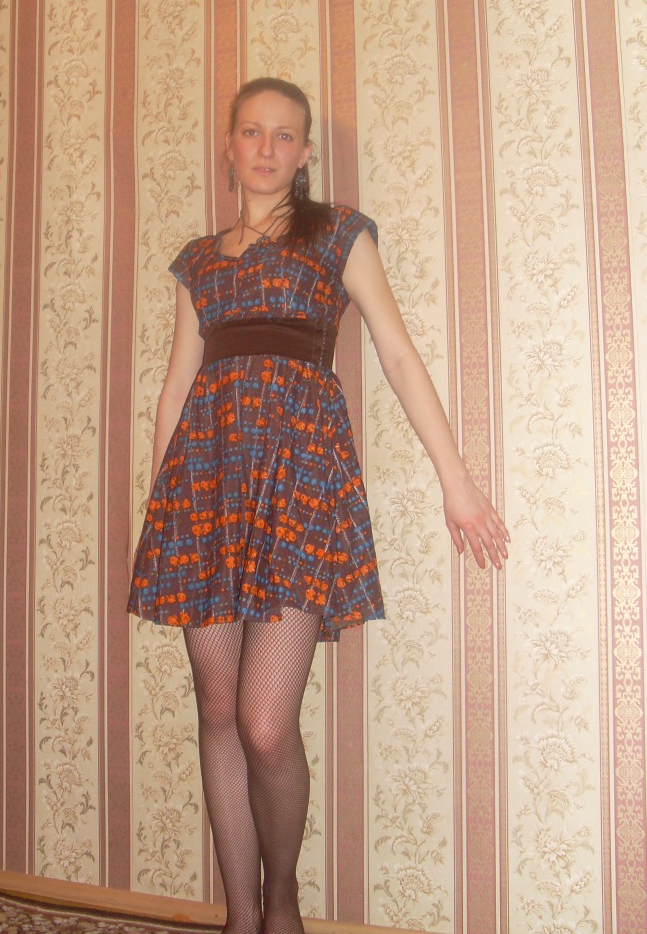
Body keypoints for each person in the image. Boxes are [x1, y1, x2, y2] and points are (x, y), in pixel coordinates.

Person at [128, 77, 509, 934]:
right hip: (203, 489)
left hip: (301, 480)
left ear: (304, 153)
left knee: (265, 723)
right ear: (230, 146)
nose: (266, 148)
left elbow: (398, 356)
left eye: (283, 135)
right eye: (251, 132)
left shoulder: (338, 234)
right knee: (216, 710)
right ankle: (240, 916)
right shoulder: (199, 262)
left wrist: (456, 481)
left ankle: (282, 899)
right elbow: (176, 388)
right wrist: (163, 514)